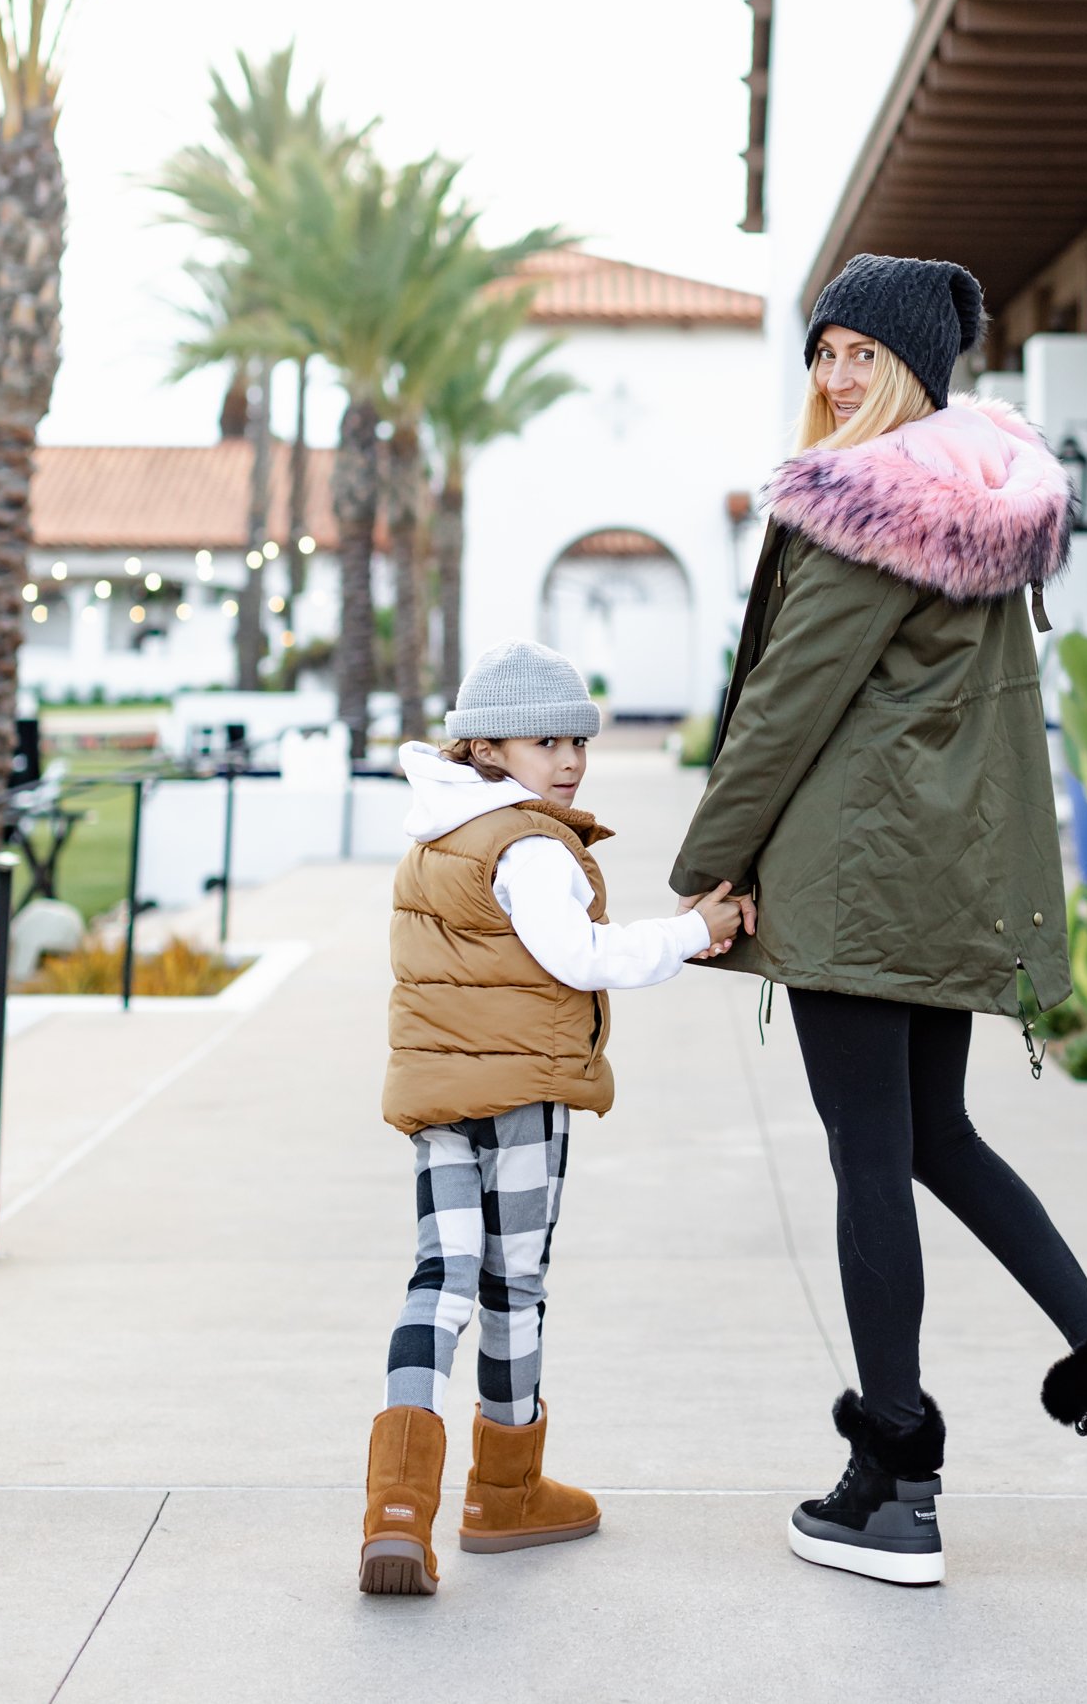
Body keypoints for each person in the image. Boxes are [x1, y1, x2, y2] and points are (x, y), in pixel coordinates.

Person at [670, 253, 1087, 1591]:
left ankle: (894, 1484)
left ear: (915, 366)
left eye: (861, 353)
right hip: (928, 872)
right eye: (821, 354)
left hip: (853, 875)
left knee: (872, 1158)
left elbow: (783, 707)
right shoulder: (979, 496)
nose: (832, 377)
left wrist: (707, 865)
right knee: (930, 1139)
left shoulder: (861, 504)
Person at [360, 639, 741, 1597]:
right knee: (512, 1288)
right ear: (487, 747)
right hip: (521, 1095)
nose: (570, 761)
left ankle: (396, 1509)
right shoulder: (528, 843)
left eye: (579, 740)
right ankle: (504, 1492)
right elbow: (581, 956)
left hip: (437, 1092)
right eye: (546, 742)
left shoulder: (435, 832)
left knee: (437, 1277)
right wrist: (695, 932)